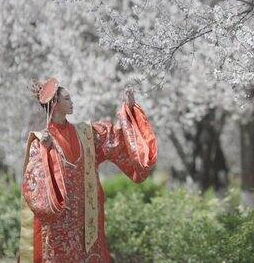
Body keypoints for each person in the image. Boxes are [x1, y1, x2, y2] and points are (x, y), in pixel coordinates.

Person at [18, 77, 158, 263]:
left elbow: (114, 138)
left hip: (86, 220)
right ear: (55, 103)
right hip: (59, 224)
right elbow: (34, 184)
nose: (72, 101)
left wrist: (129, 110)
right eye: (67, 99)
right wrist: (46, 152)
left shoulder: (86, 134)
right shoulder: (41, 141)